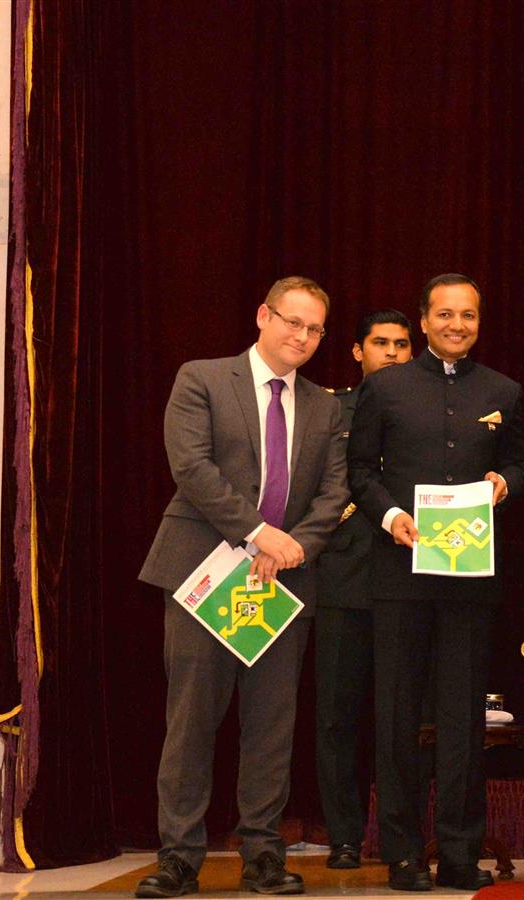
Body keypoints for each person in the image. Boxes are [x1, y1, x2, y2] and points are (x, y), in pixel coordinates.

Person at [135, 276, 349, 898]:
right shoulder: (201, 378)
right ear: (263, 315)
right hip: (204, 573)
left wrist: (292, 546)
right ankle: (178, 858)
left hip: (282, 582)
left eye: (314, 330)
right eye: (293, 322)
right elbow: (191, 467)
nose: (302, 337)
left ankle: (263, 853)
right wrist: (259, 533)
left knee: (271, 726)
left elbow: (335, 492)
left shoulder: (325, 406)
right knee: (192, 722)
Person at [347, 273, 524, 892]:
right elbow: (360, 473)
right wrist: (393, 517)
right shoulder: (387, 387)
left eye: (469, 315)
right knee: (396, 716)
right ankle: (400, 851)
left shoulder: (503, 389)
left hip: (470, 581)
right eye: (445, 314)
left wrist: (506, 482)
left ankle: (457, 850)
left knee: (462, 721)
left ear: (479, 322)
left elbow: (519, 463)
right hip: (399, 575)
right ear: (423, 321)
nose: (457, 325)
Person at [314, 309, 413, 870]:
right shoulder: (331, 409)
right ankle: (345, 836)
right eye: (381, 343)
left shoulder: (427, 406)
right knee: (337, 715)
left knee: (403, 718)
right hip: (343, 578)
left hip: (410, 574)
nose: (393, 353)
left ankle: (402, 836)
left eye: (402, 344)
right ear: (358, 351)